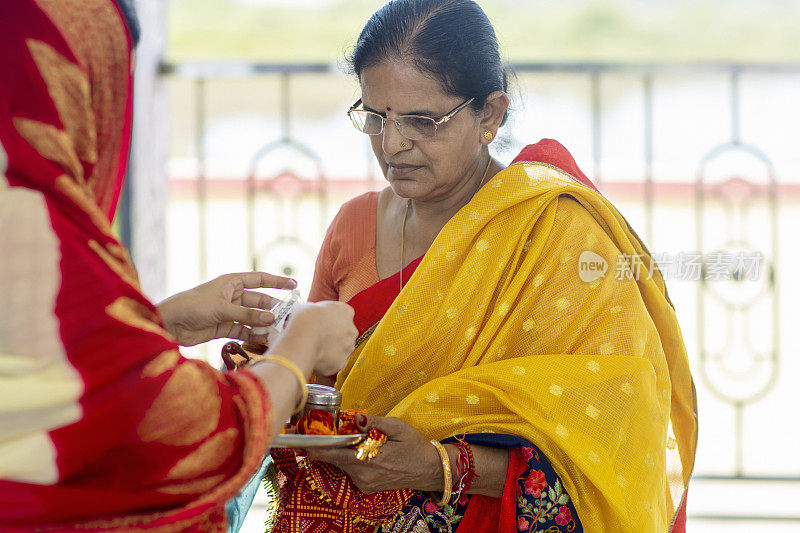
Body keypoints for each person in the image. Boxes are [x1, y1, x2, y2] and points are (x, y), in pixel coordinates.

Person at [266, 0, 698, 532]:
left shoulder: (556, 235)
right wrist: (274, 351)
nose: (393, 144)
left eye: (423, 120)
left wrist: (440, 468)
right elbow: (319, 397)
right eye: (377, 117)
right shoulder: (352, 226)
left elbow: (622, 442)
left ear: (490, 114)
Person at [0, 1, 357, 530]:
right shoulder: (34, 234)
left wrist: (152, 324)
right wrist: (299, 348)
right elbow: (179, 434)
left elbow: (41, 363)